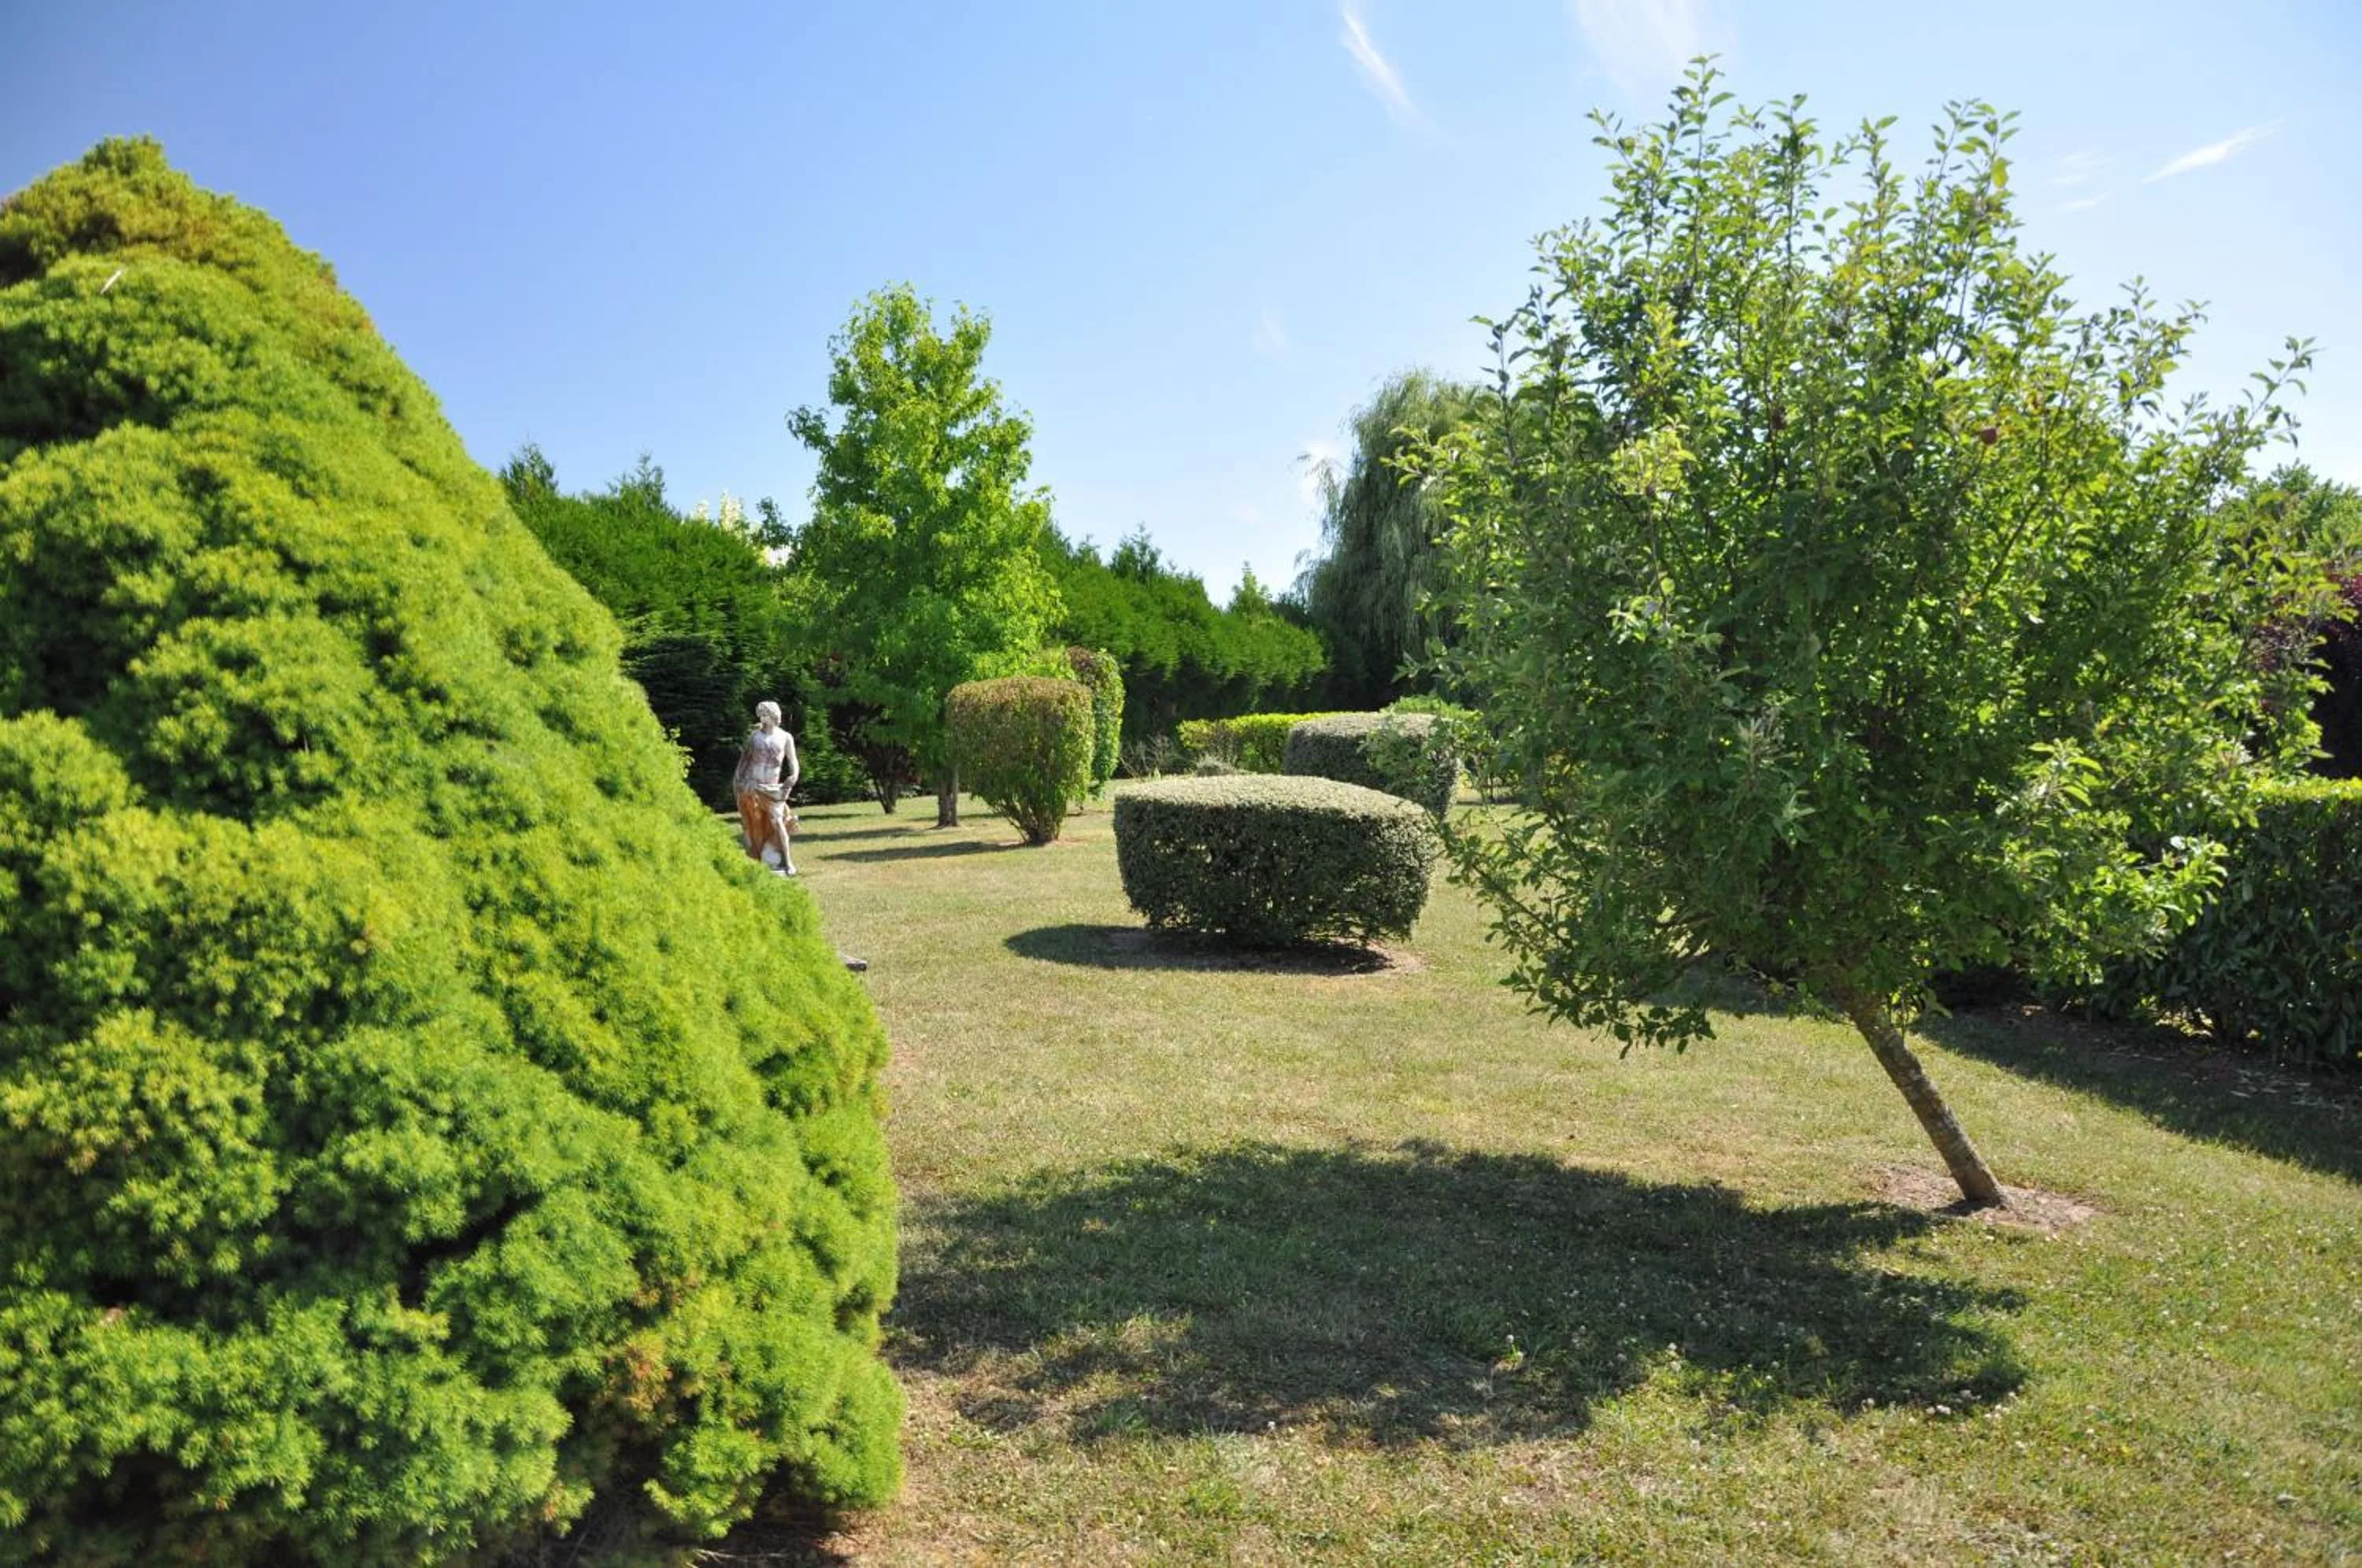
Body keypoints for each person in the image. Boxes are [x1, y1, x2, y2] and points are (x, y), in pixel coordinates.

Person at [733, 700, 800, 875]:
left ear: (774, 716)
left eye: (765, 715)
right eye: (760, 715)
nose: (762, 719)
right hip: (752, 785)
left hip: (772, 789)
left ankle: (788, 861)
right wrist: (739, 779)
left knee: (778, 822)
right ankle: (755, 858)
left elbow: (793, 761)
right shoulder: (754, 737)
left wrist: (794, 776)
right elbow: (744, 760)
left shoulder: (785, 737)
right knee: (752, 822)